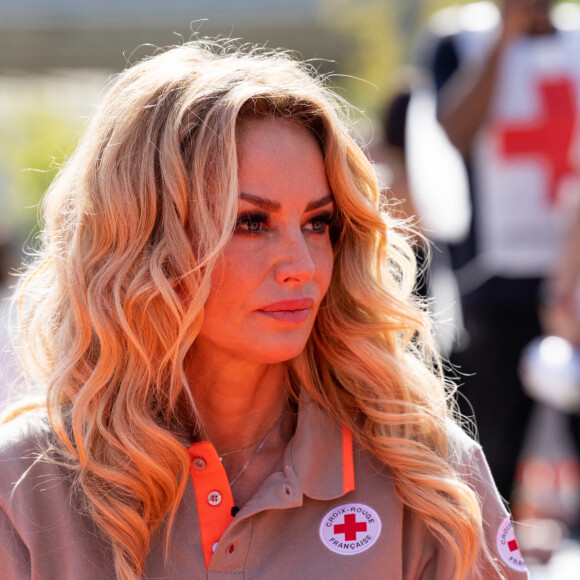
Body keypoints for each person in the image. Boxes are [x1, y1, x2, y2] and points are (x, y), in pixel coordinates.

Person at [0, 41, 528, 579]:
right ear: (145, 242)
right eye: (251, 222)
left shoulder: (428, 474)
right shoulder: (20, 485)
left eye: (317, 223)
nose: (301, 265)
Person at [424, 0, 580, 503]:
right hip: (493, 282)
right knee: (491, 454)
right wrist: (505, 39)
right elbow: (452, 131)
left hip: (573, 282)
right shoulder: (457, 39)